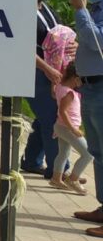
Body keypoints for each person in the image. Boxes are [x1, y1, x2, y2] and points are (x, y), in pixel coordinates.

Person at [21, 0, 65, 177]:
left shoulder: (48, 10)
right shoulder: (22, 12)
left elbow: (61, 35)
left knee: (43, 118)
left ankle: (31, 161)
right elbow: (22, 47)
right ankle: (59, 170)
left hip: (55, 70)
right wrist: (47, 69)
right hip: (36, 72)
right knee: (52, 120)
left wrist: (73, 45)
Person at [71, 0, 103, 238]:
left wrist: (80, 11)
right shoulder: (93, 11)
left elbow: (96, 42)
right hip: (90, 88)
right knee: (98, 152)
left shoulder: (88, 12)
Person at [50, 63, 92, 195]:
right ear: (75, 77)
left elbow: (54, 93)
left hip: (61, 126)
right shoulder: (69, 93)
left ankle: (56, 178)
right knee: (88, 154)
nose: (82, 83)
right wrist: (73, 129)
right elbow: (63, 111)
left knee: (63, 153)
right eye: (81, 79)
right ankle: (73, 179)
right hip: (67, 127)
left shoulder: (61, 88)